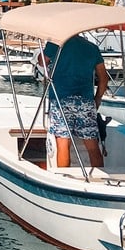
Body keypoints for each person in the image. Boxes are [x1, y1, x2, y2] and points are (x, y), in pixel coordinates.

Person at [41, 34, 109, 168]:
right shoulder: (92, 48)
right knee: (92, 145)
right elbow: (104, 78)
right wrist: (98, 98)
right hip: (85, 101)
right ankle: (100, 179)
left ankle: (64, 179)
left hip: (61, 100)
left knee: (63, 143)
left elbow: (42, 61)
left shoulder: (55, 44)